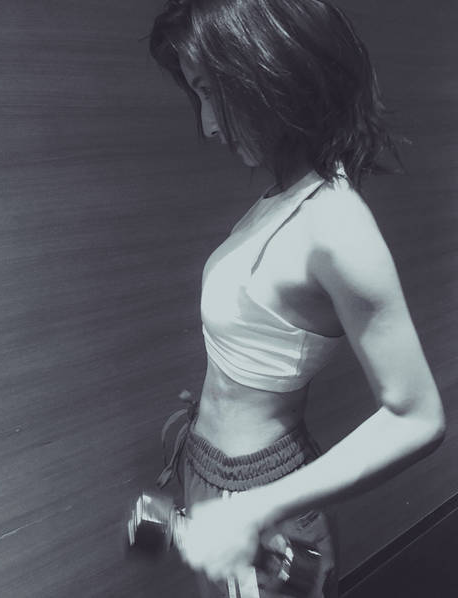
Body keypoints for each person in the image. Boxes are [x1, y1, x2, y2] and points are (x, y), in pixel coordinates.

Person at [148, 1, 446, 596]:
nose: (208, 125)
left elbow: (419, 417)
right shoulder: (278, 197)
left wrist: (254, 509)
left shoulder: (335, 223)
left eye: (210, 91)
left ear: (267, 67)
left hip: (262, 499)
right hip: (210, 472)